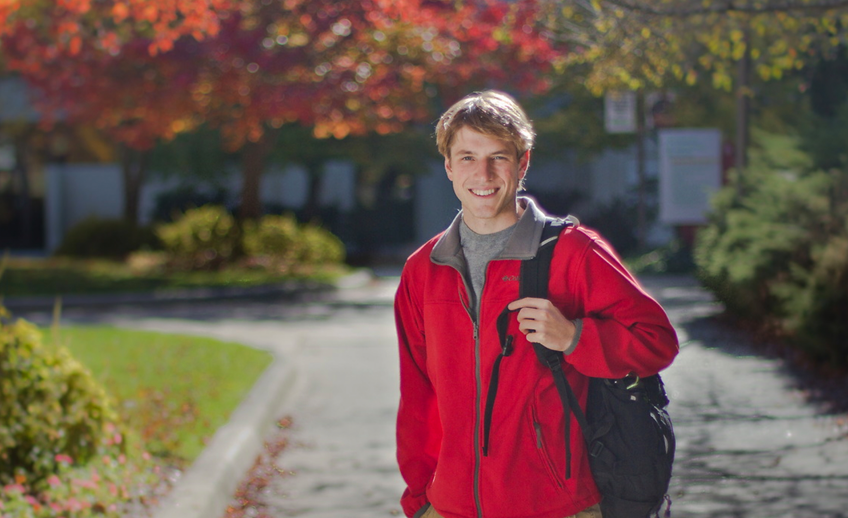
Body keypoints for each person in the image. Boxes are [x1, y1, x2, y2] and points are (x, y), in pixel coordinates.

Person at [393, 90, 679, 518]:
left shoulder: (574, 252)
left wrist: (575, 336)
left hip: (556, 505)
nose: (483, 173)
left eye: (499, 157)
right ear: (449, 166)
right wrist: (418, 500)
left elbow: (657, 341)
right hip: (450, 506)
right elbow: (417, 397)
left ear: (522, 163)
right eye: (468, 157)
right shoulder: (424, 269)